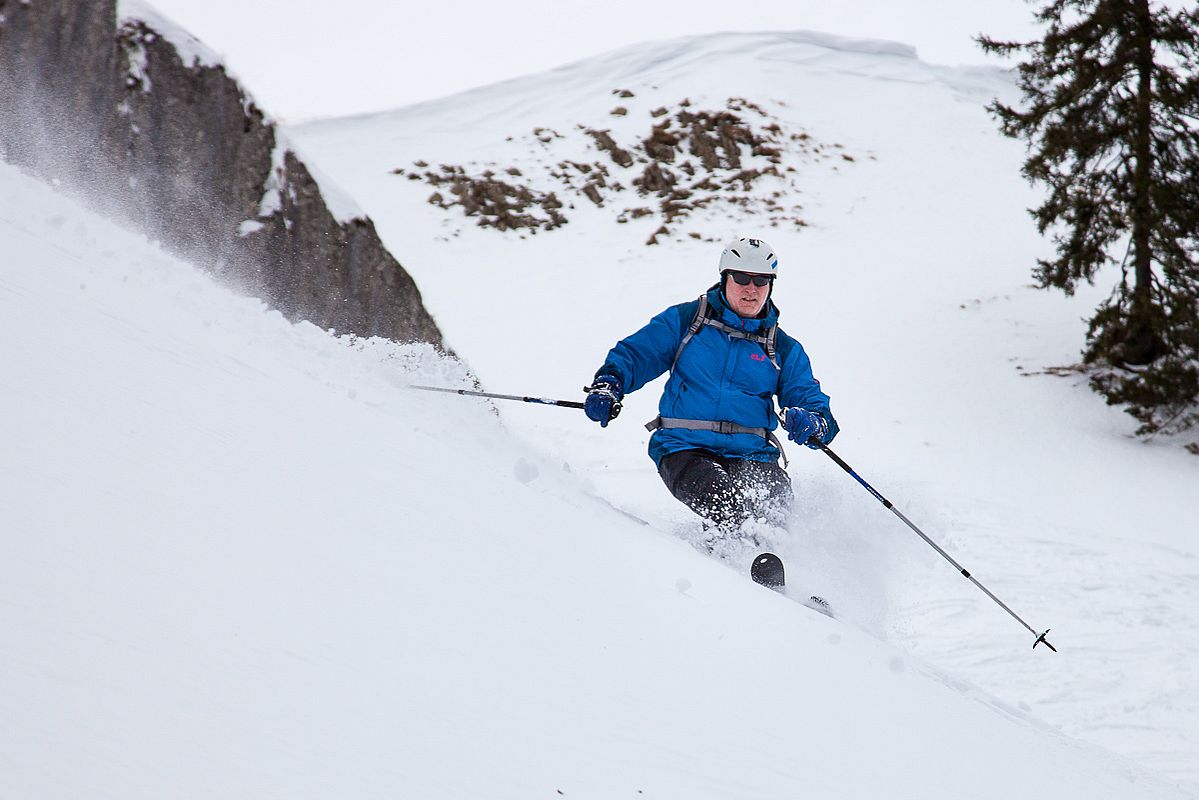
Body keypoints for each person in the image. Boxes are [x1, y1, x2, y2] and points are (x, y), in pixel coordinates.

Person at [583, 237, 838, 536]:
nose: (751, 289)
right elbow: (637, 354)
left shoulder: (782, 347)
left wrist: (814, 423)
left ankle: (777, 571)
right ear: (725, 277)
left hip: (753, 454)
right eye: (742, 278)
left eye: (761, 281)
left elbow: (809, 399)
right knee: (726, 507)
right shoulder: (688, 321)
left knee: (777, 517)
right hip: (685, 449)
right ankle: (727, 570)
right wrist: (609, 384)